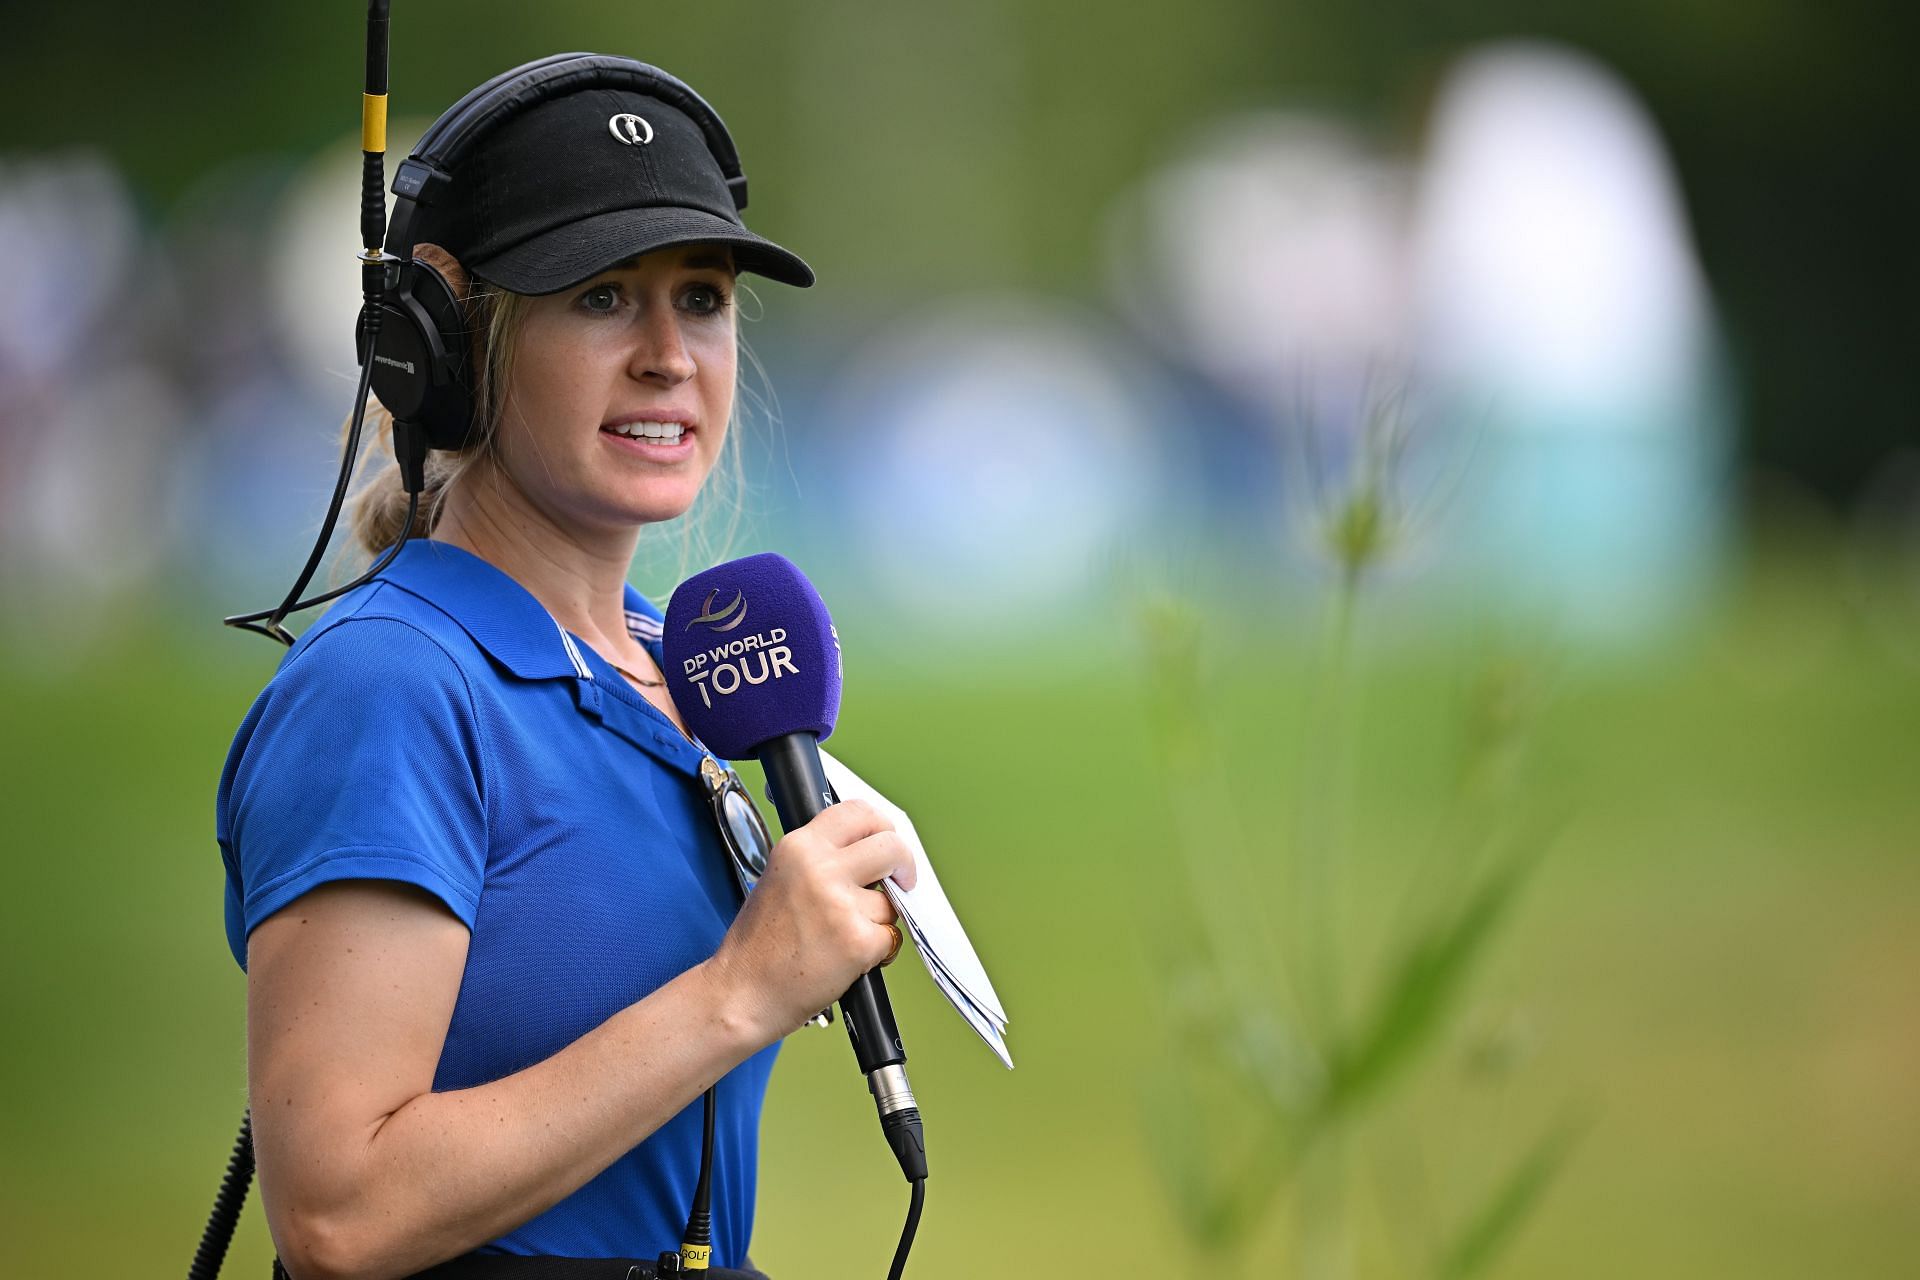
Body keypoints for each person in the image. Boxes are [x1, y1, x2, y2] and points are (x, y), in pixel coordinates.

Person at [215, 56, 915, 1280]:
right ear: (441, 344)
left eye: (700, 297)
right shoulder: (391, 687)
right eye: (599, 297)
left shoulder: (668, 659)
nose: (666, 354)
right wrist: (742, 987)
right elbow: (339, 1213)